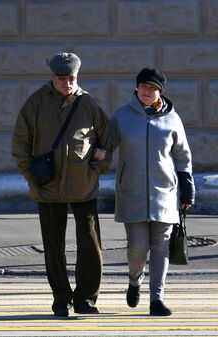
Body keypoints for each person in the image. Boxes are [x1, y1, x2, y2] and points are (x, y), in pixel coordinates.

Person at [11, 52, 109, 317]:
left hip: (83, 185)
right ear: (52, 76)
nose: (67, 83)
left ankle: (86, 299)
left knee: (90, 244)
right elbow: (20, 143)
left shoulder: (88, 103)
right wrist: (31, 176)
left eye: (72, 78)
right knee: (54, 247)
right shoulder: (36, 103)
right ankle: (61, 299)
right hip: (48, 186)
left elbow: (107, 138)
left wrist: (96, 168)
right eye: (62, 78)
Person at [108, 68, 194, 316]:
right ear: (137, 88)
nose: (147, 91)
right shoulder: (121, 115)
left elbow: (182, 156)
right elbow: (107, 143)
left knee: (161, 247)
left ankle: (157, 299)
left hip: (165, 193)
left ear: (160, 92)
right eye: (143, 87)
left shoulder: (172, 119)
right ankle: (135, 281)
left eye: (152, 88)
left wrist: (187, 187)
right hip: (131, 192)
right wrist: (96, 156)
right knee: (137, 248)